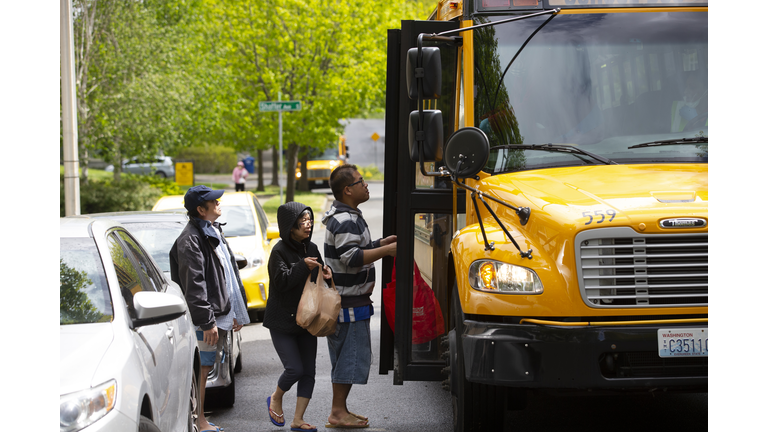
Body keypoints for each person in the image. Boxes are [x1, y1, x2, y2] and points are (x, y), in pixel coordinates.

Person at [321, 164, 397, 429]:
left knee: (346, 357)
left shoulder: (348, 215)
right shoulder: (346, 220)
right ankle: (337, 412)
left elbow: (357, 249)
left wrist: (380, 244)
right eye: (361, 181)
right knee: (349, 357)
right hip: (348, 304)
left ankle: (340, 409)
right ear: (347, 190)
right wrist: (387, 252)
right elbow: (351, 257)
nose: (366, 185)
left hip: (350, 302)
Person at [169, 185, 250, 432]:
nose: (218, 203)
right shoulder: (191, 239)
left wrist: (235, 310)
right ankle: (199, 422)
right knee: (201, 371)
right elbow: (195, 285)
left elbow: (228, 275)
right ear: (200, 209)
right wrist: (207, 322)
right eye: (213, 201)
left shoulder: (211, 230)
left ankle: (200, 420)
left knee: (205, 369)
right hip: (206, 320)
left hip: (219, 315)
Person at [263, 202, 333, 432]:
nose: (308, 225)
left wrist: (327, 275)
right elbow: (281, 282)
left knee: (309, 372)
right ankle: (275, 397)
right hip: (282, 321)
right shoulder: (279, 251)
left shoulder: (312, 247)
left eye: (309, 221)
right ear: (289, 227)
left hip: (307, 319)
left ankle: (298, 419)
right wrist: (303, 266)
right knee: (294, 369)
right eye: (302, 222)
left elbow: (318, 282)